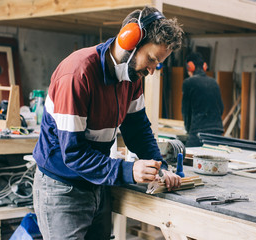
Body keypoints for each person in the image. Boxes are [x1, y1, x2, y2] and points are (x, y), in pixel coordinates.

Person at [32, 6, 183, 240]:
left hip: (97, 182)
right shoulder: (78, 75)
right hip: (62, 188)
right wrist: (128, 170)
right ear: (129, 41)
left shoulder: (131, 77)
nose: (152, 71)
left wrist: (159, 167)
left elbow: (139, 131)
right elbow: (73, 153)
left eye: (158, 64)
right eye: (151, 59)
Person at [181, 52, 224, 147]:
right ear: (204, 66)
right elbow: (221, 108)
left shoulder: (188, 83)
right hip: (217, 131)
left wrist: (189, 130)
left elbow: (186, 111)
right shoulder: (214, 82)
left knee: (189, 156)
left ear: (190, 67)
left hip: (199, 130)